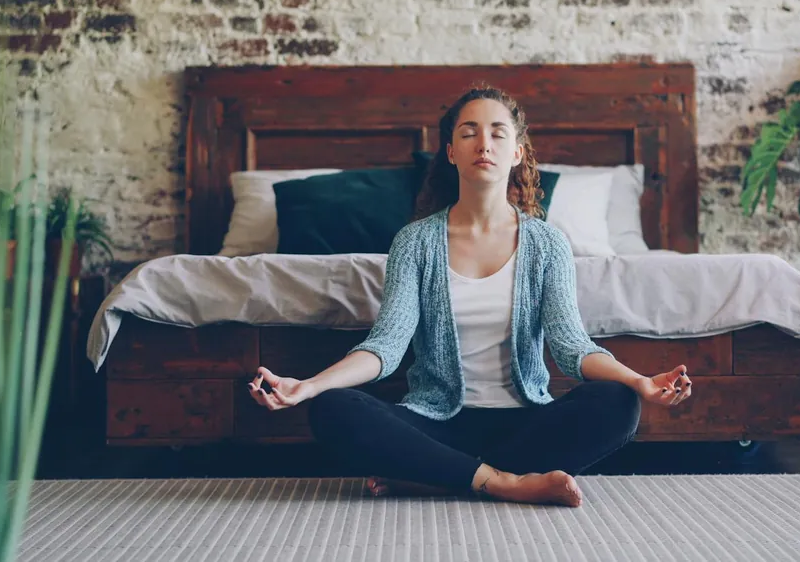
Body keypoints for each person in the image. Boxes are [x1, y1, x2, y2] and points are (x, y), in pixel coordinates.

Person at [247, 85, 694, 507]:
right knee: (331, 408)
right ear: (451, 151)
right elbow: (386, 346)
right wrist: (309, 386)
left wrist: (639, 382)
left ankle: (435, 477)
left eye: (498, 133)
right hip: (434, 424)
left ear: (517, 152)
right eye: (469, 132)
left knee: (617, 402)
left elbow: (572, 347)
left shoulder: (547, 243)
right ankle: (502, 481)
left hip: (523, 423)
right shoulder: (415, 242)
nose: (484, 143)